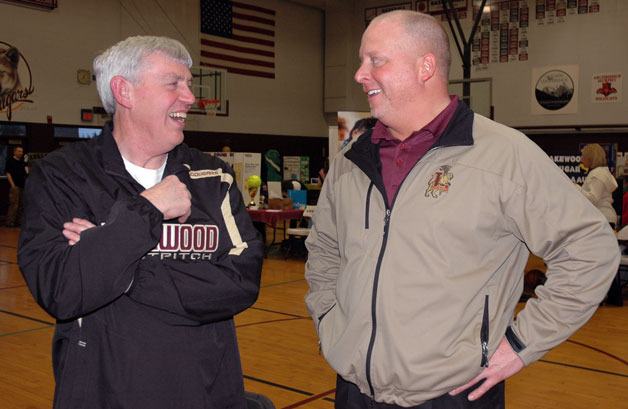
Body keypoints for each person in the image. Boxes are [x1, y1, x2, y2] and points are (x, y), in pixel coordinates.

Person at [304, 10, 619, 409]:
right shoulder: (352, 160)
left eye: (376, 60)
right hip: (353, 390)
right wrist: (330, 318)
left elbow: (590, 250)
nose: (359, 74)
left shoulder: (503, 156)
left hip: (453, 395)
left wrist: (520, 344)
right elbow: (324, 249)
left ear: (425, 66)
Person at [18, 36, 264, 408]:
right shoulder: (62, 176)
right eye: (174, 83)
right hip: (102, 393)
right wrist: (146, 210)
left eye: (188, 83)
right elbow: (62, 290)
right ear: (125, 91)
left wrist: (116, 260)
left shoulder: (213, 177)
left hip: (205, 394)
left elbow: (240, 282)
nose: (190, 97)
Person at [576, 143, 618, 227]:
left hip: (601, 218)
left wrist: (576, 187)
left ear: (590, 158)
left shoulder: (597, 174)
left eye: (583, 156)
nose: (581, 159)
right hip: (603, 218)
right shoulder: (601, 172)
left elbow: (593, 199)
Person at [4, 145, 27, 227]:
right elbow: (8, 173)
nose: (21, 153)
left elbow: (25, 173)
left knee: (21, 205)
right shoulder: (10, 161)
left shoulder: (22, 162)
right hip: (15, 186)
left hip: (22, 186)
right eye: (19, 151)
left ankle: (18, 222)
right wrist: (13, 185)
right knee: (14, 205)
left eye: (22, 151)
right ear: (15, 152)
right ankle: (10, 222)